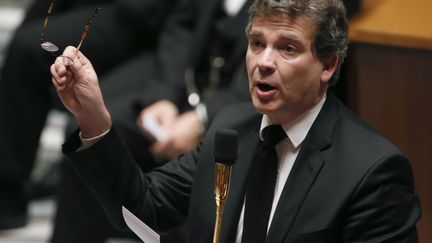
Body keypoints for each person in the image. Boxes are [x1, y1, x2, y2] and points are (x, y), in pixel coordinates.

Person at [51, 0, 422, 242]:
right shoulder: (229, 131)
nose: (263, 61)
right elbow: (144, 206)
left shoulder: (372, 171)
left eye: (287, 48)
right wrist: (93, 117)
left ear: (328, 65)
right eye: (257, 43)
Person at [0, 0, 179, 230]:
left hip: (142, 13)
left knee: (31, 49)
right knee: (31, 30)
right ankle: (11, 182)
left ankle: (8, 189)